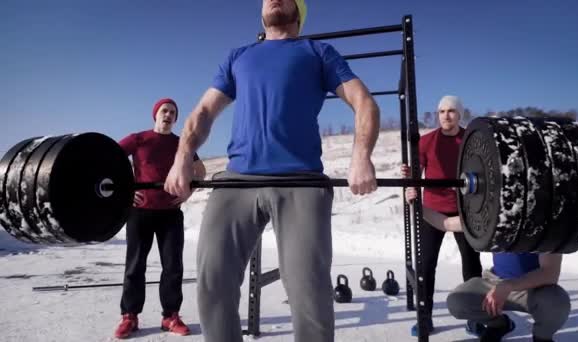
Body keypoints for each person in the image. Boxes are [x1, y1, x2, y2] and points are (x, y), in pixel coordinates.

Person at [163, 1, 380, 341]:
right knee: (213, 281)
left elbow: (363, 101)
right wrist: (182, 158)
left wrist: (361, 156)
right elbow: (204, 111)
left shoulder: (318, 52)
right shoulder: (239, 56)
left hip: (301, 180)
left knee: (307, 287)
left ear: (299, 11)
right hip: (238, 180)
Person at [113, 98, 206, 339]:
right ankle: (129, 317)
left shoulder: (181, 143)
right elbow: (110, 158)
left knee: (173, 267)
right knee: (135, 266)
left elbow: (200, 171)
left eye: (173, 112)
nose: (168, 115)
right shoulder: (138, 139)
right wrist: (124, 191)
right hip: (140, 213)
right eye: (164, 111)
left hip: (170, 214)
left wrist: (188, 191)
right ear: (155, 114)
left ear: (175, 119)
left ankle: (170, 316)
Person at [401, 95, 483, 336]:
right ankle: (425, 318)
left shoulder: (471, 140)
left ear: (460, 114)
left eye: (451, 111)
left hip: (464, 211)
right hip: (432, 212)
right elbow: (414, 176)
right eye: (442, 111)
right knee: (426, 265)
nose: (446, 115)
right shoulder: (426, 142)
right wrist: (408, 181)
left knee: (472, 265)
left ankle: (475, 317)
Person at [426, 210, 571, 342]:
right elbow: (446, 223)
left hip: (534, 288)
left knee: (558, 303)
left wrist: (509, 286)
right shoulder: (495, 215)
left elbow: (549, 273)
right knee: (457, 301)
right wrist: (415, 204)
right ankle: (499, 325)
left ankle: (542, 336)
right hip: (495, 282)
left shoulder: (547, 221)